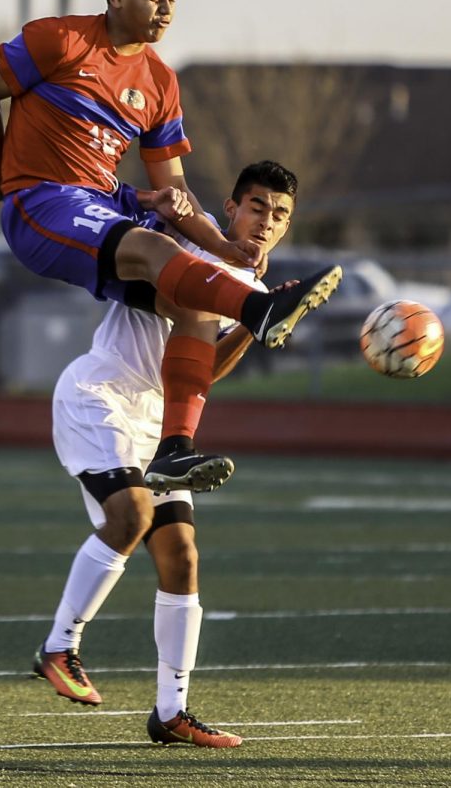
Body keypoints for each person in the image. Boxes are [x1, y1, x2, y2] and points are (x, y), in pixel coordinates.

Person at [0, 0, 341, 491]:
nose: (166, 8)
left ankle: (175, 449)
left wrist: (225, 249)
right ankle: (261, 310)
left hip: (99, 204)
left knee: (195, 299)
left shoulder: (161, 82)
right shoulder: (61, 40)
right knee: (156, 249)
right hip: (43, 202)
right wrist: (3, 180)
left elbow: (176, 197)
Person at [36, 160, 298, 748]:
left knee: (181, 555)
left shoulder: (252, 290)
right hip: (99, 395)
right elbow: (122, 231)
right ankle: (59, 647)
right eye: (256, 207)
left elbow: (207, 366)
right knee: (132, 516)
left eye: (279, 215)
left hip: (157, 422)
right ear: (229, 209)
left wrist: (255, 328)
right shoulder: (188, 229)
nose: (266, 222)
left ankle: (172, 712)